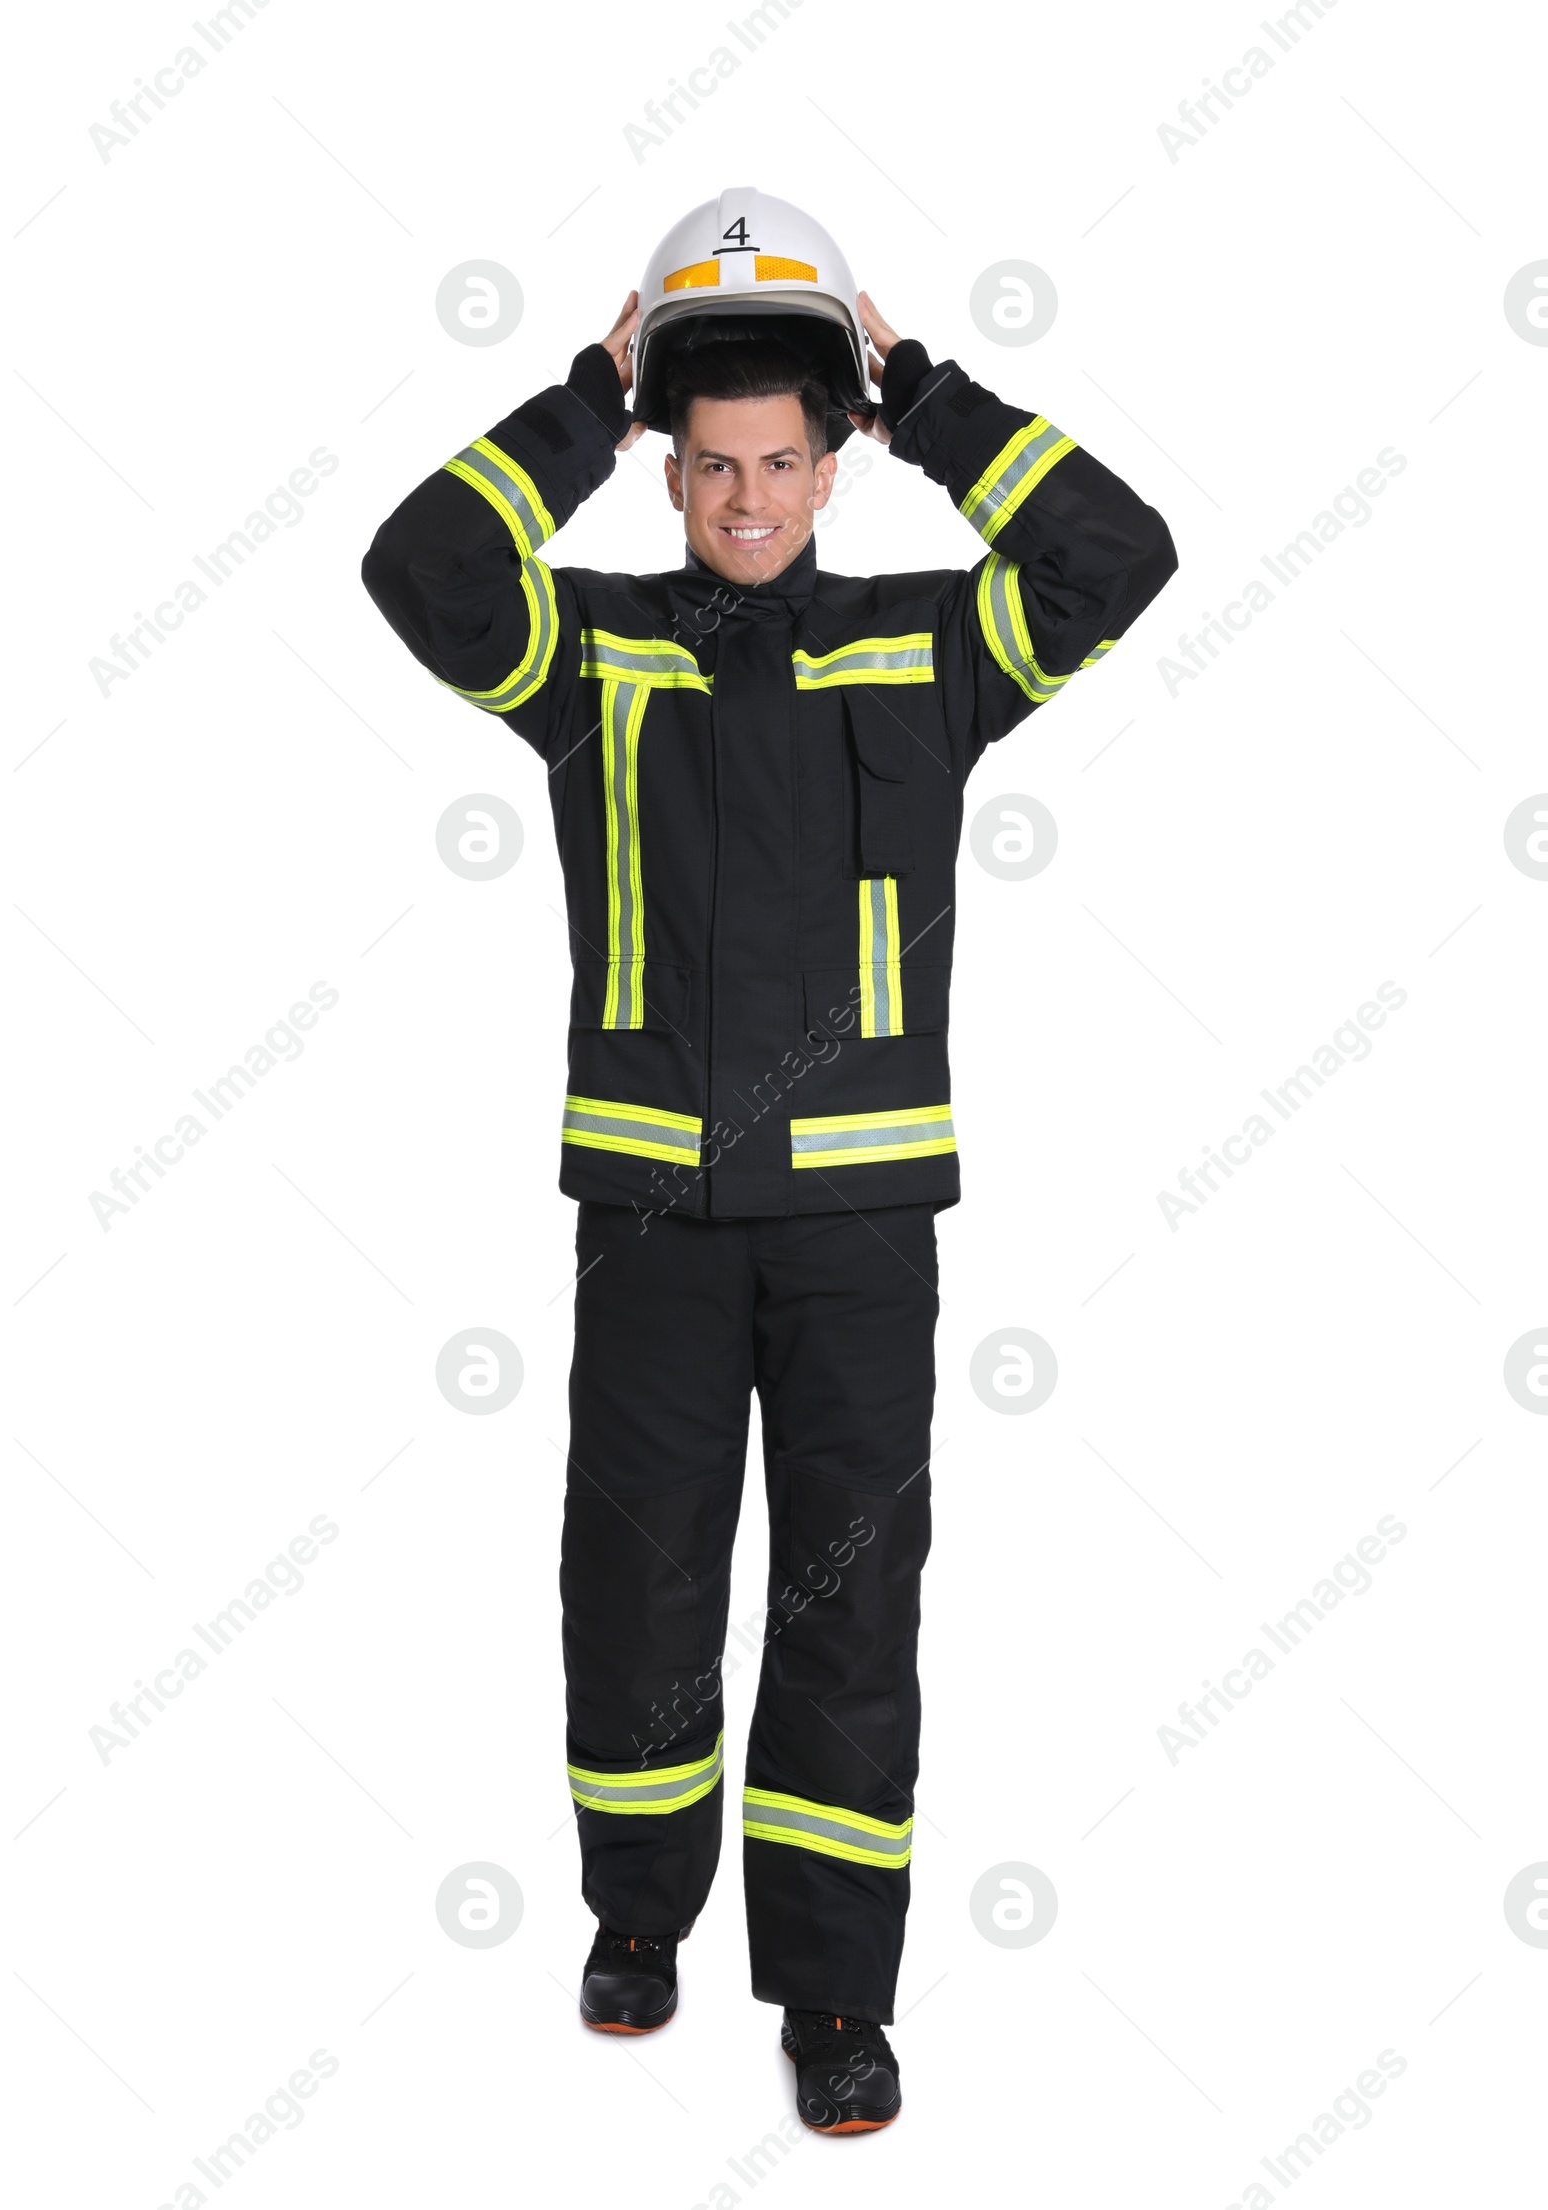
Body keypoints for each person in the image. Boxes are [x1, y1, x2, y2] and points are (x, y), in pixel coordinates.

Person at [362, 192, 1176, 2134]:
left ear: (829, 457)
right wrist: (588, 387)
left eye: (779, 458)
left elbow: (1113, 552)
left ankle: (832, 1996)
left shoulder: (923, 648)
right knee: (633, 1583)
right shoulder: (598, 660)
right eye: (708, 462)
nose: (744, 498)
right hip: (648, 1216)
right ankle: (637, 1916)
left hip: (855, 1233)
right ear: (666, 468)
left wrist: (931, 396)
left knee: (846, 1609)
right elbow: (423, 569)